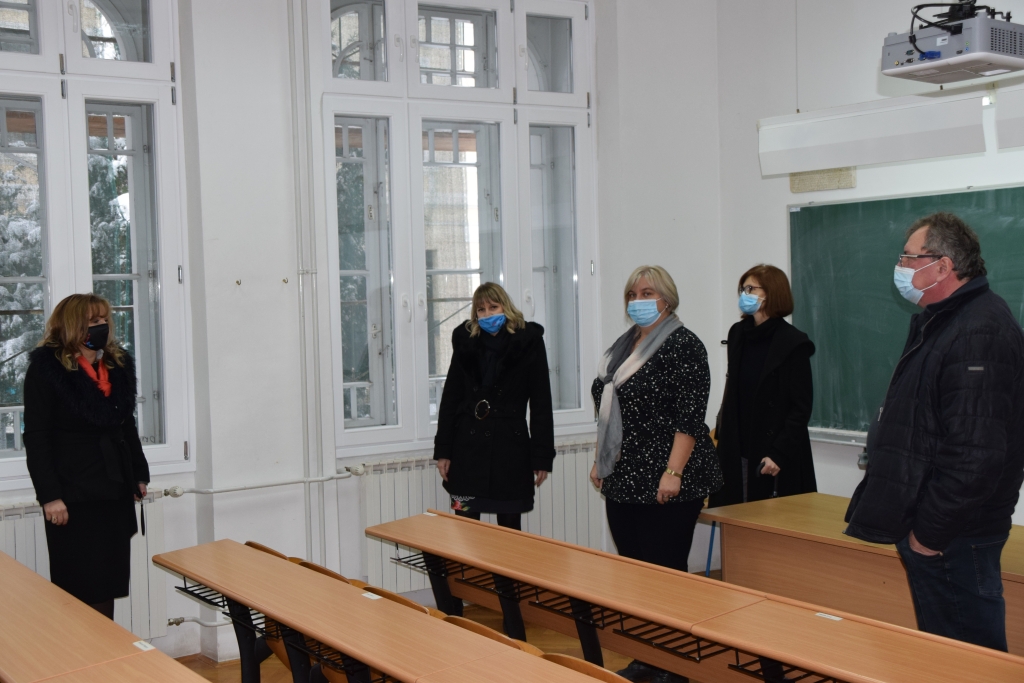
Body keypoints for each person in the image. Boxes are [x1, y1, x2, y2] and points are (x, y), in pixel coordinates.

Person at [845, 212, 1024, 652]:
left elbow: (975, 454)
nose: (900, 267)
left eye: (909, 257)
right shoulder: (946, 320)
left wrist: (928, 536)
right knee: (946, 656)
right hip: (944, 529)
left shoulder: (977, 330)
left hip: (954, 534)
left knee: (967, 660)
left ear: (943, 266)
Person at [591, 265, 723, 683]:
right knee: (635, 574)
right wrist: (601, 460)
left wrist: (673, 472)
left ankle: (675, 666)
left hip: (669, 475)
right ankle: (646, 657)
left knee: (665, 575)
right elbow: (608, 412)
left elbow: (689, 418)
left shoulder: (684, 345)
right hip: (624, 476)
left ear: (667, 299)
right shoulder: (623, 347)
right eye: (632, 294)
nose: (638, 301)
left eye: (647, 293)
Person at [433, 282, 555, 636]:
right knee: (463, 534)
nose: (487, 315)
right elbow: (451, 397)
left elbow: (541, 402)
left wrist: (541, 456)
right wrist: (444, 450)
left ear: (506, 308)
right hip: (466, 455)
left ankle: (512, 619)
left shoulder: (529, 342)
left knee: (509, 540)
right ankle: (454, 613)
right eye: (481, 309)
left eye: (493, 308)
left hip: (510, 455)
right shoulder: (464, 341)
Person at [24, 294, 150, 619]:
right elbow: (37, 437)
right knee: (80, 586)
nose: (102, 326)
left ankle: (102, 649)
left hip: (114, 488)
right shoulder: (47, 369)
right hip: (73, 494)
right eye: (94, 321)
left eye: (104, 319)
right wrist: (50, 496)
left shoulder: (117, 364)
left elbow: (126, 424)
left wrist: (138, 474)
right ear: (73, 326)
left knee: (107, 582)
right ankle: (81, 650)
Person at [710, 264, 816, 508]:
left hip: (773, 454)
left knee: (766, 522)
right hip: (736, 448)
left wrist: (779, 453)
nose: (744, 295)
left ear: (772, 292)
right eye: (743, 289)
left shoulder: (793, 342)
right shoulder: (737, 333)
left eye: (751, 289)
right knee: (733, 516)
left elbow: (801, 407)